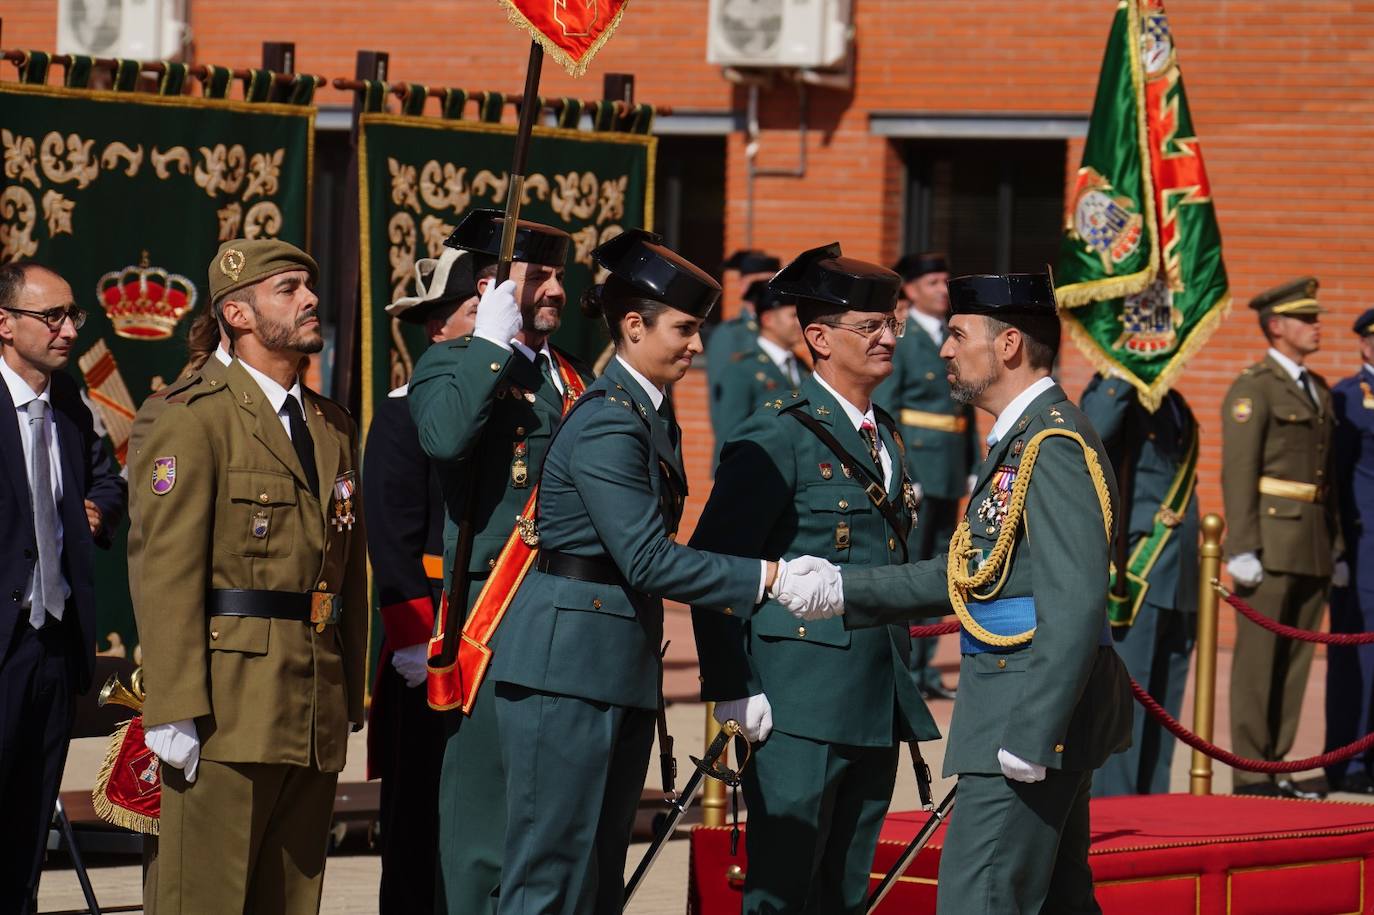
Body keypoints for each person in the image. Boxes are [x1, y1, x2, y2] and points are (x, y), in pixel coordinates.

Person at [490, 229, 820, 915]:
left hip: (605, 660)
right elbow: (645, 556)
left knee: (596, 874)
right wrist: (768, 579)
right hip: (568, 667)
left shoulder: (644, 413)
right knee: (551, 873)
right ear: (633, 326)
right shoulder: (613, 420)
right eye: (685, 329)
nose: (698, 346)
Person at [784, 272, 1133, 915]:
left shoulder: (1050, 444)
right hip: (1022, 700)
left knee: (982, 897)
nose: (943, 350)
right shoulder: (1022, 440)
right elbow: (966, 570)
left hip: (1025, 711)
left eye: (956, 334)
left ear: (1007, 346)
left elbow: (1076, 603)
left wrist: (1033, 732)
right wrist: (839, 588)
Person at [690, 243, 939, 914]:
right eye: (872, 326)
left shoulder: (883, 433)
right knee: (781, 889)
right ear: (820, 337)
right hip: (798, 702)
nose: (889, 337)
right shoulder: (777, 437)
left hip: (875, 696)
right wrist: (731, 685)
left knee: (847, 890)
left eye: (895, 323)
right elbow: (714, 564)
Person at [131, 238, 367, 913]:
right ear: (236, 312)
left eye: (309, 286)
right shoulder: (193, 414)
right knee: (202, 899)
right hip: (225, 709)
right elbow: (164, 567)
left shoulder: (331, 425)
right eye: (288, 288)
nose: (311, 299)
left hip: (311, 703)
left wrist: (349, 689)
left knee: (292, 901)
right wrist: (174, 705)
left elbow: (350, 572)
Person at [408, 209, 590, 915]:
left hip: (571, 616)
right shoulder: (453, 362)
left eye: (559, 276)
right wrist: (488, 339)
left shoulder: (572, 375)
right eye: (538, 274)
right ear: (492, 285)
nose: (554, 289)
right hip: (497, 615)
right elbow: (447, 438)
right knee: (484, 821)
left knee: (553, 814)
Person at [0, 262, 126, 913]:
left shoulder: (71, 403)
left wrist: (98, 509)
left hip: (52, 640)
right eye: (52, 316)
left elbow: (108, 478)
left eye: (72, 315)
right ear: (5, 322)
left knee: (29, 818)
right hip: (3, 637)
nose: (68, 328)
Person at [364, 247, 479, 913]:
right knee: (418, 811)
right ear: (437, 329)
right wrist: (412, 635)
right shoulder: (404, 412)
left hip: (490, 629)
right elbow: (392, 535)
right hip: (431, 636)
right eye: (474, 313)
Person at [1222, 277, 1341, 799]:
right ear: (1276, 326)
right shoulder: (1255, 386)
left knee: (1294, 664)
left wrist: (1335, 546)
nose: (1317, 326)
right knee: (1257, 664)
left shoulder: (1319, 387)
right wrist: (1241, 546)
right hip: (1269, 543)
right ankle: (1251, 774)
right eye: (1306, 318)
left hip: (1311, 541)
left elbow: (1326, 475)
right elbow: (1239, 471)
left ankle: (1276, 765)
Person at [1081, 374, 1199, 797]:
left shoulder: (1174, 402)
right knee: (1127, 708)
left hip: (1177, 574)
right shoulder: (1109, 391)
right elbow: (1093, 429)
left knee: (1164, 705)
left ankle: (1153, 800)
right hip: (1135, 578)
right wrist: (1123, 372)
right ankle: (1117, 805)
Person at [876, 251, 974, 701]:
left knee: (944, 566)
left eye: (945, 281)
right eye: (933, 282)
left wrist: (974, 465)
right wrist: (901, 469)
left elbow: (965, 407)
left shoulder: (956, 335)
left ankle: (928, 667)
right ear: (911, 289)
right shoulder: (903, 336)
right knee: (912, 566)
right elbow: (888, 406)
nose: (942, 289)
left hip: (951, 466)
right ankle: (906, 666)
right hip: (918, 466)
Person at [1324, 309, 1374, 792]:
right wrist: (1336, 549)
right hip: (1364, 550)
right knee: (1358, 658)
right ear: (1365, 345)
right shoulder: (1348, 397)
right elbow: (1334, 481)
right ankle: (1350, 761)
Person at [708, 278, 807, 464]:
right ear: (768, 319)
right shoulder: (742, 369)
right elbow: (730, 435)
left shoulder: (801, 366)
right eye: (793, 316)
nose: (800, 324)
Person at [707, 249, 782, 453]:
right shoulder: (730, 334)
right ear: (742, 286)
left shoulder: (781, 328)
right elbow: (723, 403)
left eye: (770, 281)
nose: (764, 288)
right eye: (758, 281)